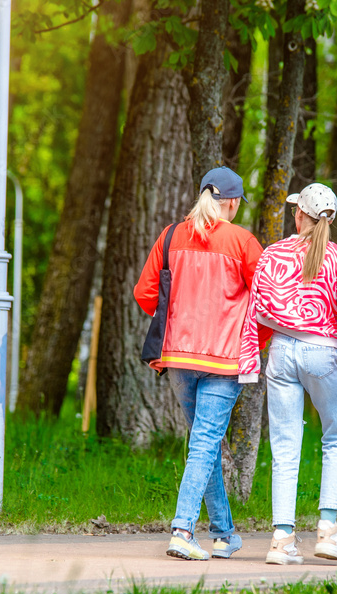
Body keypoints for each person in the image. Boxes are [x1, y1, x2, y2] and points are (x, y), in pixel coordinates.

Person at [134, 167, 269, 561]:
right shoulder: (243, 241)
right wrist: (255, 345)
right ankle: (182, 529)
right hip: (223, 360)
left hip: (176, 357)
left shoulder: (171, 235)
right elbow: (265, 303)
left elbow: (145, 294)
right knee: (205, 442)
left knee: (202, 443)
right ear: (231, 202)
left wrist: (178, 314)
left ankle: (225, 533)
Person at [238, 182, 337, 565]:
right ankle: (328, 531)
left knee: (284, 447)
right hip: (323, 354)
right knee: (336, 438)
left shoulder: (273, 255)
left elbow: (256, 312)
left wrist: (249, 363)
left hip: (281, 352)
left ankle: (281, 541)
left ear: (299, 215)